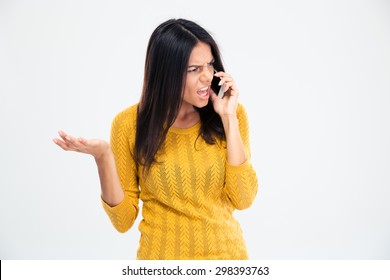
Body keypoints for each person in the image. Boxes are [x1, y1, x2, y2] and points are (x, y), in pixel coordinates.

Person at [53, 18, 258, 260]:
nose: (207, 76)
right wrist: (103, 157)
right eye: (194, 69)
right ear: (165, 73)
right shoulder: (129, 124)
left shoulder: (230, 116)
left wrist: (228, 118)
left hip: (226, 260)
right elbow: (123, 221)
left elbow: (243, 199)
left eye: (210, 65)